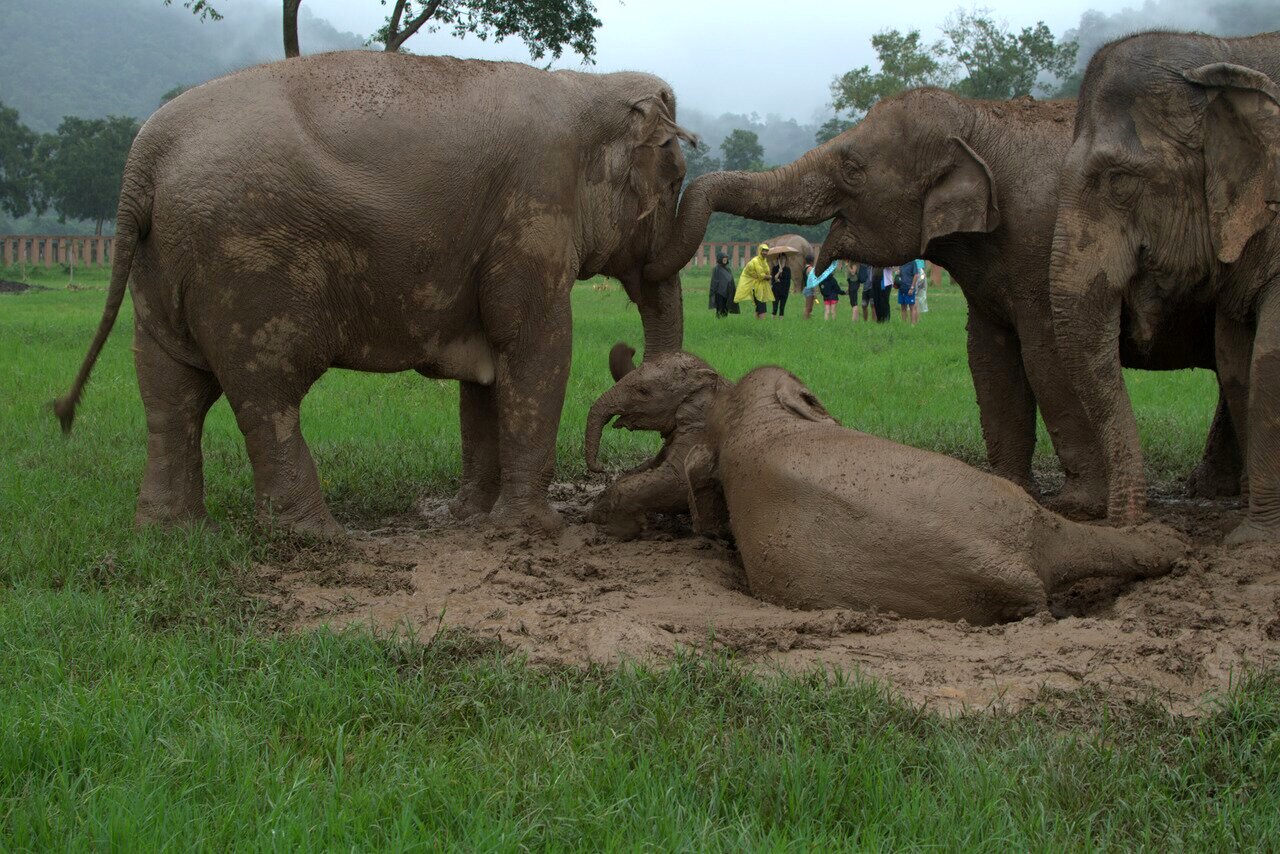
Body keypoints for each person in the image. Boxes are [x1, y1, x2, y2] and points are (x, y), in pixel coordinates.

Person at [735, 243, 772, 319]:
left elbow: (766, 272)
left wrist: (768, 276)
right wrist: (769, 276)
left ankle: (757, 323)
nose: (765, 253)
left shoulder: (764, 261)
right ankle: (762, 323)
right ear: (760, 251)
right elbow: (761, 275)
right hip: (755, 287)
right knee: (762, 307)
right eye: (763, 251)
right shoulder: (756, 261)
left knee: (759, 306)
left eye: (766, 251)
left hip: (761, 286)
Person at [709, 253, 734, 318]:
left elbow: (731, 280)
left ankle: (724, 322)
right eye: (723, 258)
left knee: (726, 308)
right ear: (720, 259)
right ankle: (719, 321)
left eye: (726, 258)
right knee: (720, 308)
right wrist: (713, 291)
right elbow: (714, 281)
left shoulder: (728, 269)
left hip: (727, 292)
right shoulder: (716, 269)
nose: (725, 259)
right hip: (719, 293)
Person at [895, 259, 918, 325]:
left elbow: (916, 275)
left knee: (911, 307)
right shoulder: (901, 262)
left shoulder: (913, 262)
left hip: (909, 288)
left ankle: (913, 325)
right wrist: (898, 272)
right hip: (901, 288)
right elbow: (899, 274)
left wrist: (912, 288)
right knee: (903, 307)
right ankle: (904, 324)